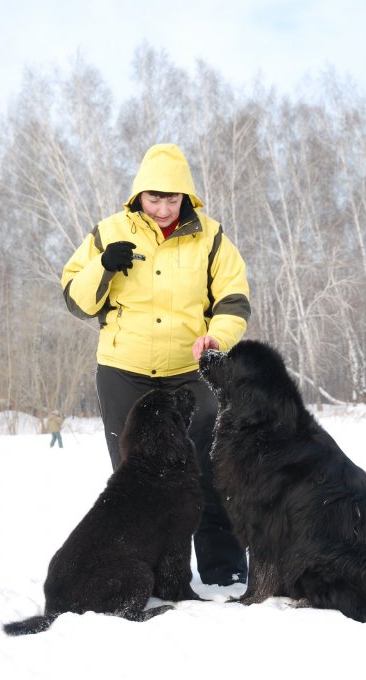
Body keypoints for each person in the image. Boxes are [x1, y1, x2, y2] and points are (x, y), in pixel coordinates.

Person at [61, 143, 250, 586]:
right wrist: (103, 268)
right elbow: (75, 299)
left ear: (186, 197)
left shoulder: (213, 237)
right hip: (123, 370)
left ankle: (223, 570)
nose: (163, 207)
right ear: (138, 195)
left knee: (207, 466)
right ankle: (141, 572)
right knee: (134, 479)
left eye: (172, 198)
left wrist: (216, 338)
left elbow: (234, 300)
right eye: (154, 198)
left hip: (190, 370)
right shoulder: (108, 233)